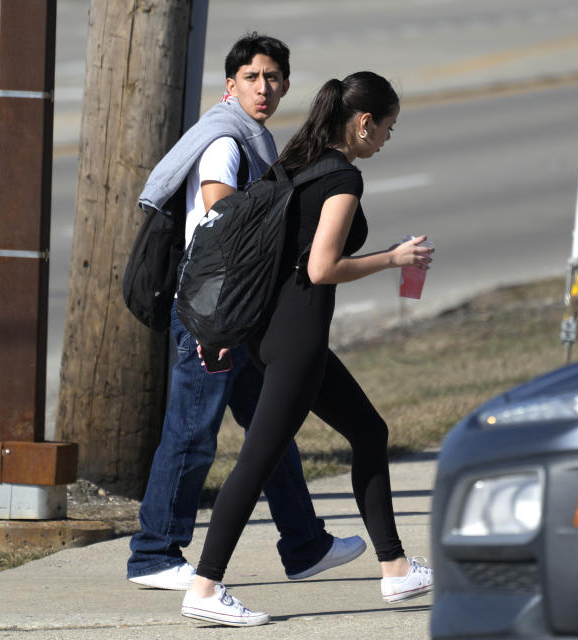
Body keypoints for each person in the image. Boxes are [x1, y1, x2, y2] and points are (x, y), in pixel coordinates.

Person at [180, 71, 435, 627]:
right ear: (363, 122)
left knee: (369, 432)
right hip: (297, 338)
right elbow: (322, 267)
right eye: (387, 128)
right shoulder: (342, 179)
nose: (387, 140)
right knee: (257, 460)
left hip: (267, 331)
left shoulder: (296, 162)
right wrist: (394, 258)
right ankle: (204, 586)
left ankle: (395, 568)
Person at [126, 33, 365, 591]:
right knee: (192, 430)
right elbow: (224, 221)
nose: (265, 87)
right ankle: (154, 554)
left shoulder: (251, 137)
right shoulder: (225, 143)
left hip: (237, 312)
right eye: (253, 77)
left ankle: (305, 545)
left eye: (274, 77)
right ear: (231, 85)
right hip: (215, 315)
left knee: (268, 430)